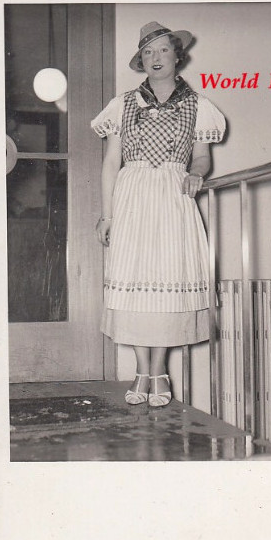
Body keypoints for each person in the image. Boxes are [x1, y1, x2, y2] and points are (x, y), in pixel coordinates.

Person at [91, 22, 226, 408]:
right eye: (148, 52)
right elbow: (110, 162)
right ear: (141, 59)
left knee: (166, 275)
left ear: (177, 56)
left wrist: (196, 174)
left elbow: (201, 157)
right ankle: (140, 370)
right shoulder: (123, 104)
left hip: (171, 194)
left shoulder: (200, 105)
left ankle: (160, 371)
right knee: (135, 278)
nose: (156, 58)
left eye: (163, 50)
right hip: (132, 195)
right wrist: (107, 215)